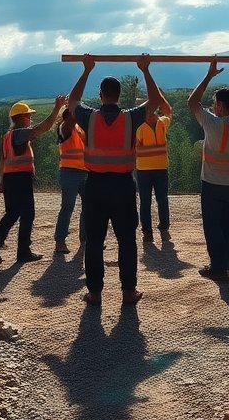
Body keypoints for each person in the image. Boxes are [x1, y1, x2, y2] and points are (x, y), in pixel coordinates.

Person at [68, 55, 162, 305]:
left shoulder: (90, 117)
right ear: (119, 95)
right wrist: (145, 70)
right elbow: (155, 101)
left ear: (100, 95)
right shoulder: (131, 117)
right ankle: (128, 292)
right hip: (122, 186)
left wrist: (86, 70)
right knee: (127, 240)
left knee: (94, 241)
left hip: (95, 186)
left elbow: (72, 101)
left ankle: (95, 293)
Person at [186, 57, 229, 281]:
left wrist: (208, 75)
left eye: (215, 103)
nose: (213, 106)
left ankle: (218, 268)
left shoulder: (213, 124)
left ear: (220, 105)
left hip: (212, 184)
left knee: (213, 227)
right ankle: (225, 266)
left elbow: (192, 102)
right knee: (227, 227)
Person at [0, 96, 66, 264]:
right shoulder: (20, 134)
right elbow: (42, 128)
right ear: (21, 118)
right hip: (20, 178)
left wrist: (1, 180)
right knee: (28, 214)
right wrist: (57, 109)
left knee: (13, 213)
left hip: (9, 178)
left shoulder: (8, 136)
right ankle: (21, 251)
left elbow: (3, 159)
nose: (30, 118)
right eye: (28, 115)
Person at [134, 97, 173, 243]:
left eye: (152, 110)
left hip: (161, 169)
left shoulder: (162, 123)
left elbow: (169, 111)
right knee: (145, 202)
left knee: (162, 200)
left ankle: (164, 227)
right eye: (148, 110)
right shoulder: (139, 127)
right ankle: (147, 232)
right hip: (143, 171)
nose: (150, 113)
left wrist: (160, 97)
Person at [54, 108, 87, 254]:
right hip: (69, 173)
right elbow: (69, 122)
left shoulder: (79, 130)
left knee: (88, 208)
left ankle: (85, 240)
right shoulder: (64, 128)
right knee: (67, 207)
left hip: (85, 172)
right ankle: (60, 242)